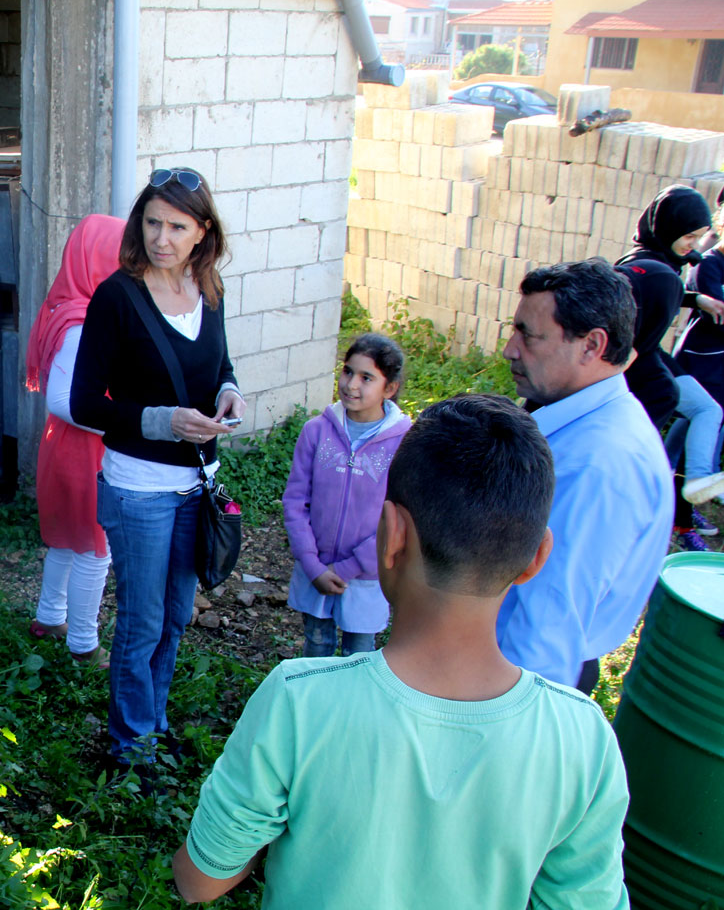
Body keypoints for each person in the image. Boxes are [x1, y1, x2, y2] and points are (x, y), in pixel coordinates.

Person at [173, 394, 630, 910]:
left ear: (391, 535)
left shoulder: (298, 701)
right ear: (536, 558)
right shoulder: (584, 739)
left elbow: (200, 881)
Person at [69, 167, 246, 767]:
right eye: (151, 222)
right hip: (139, 488)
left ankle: (154, 720)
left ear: (202, 233)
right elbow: (84, 402)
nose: (161, 238)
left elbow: (220, 364)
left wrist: (229, 392)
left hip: (195, 485)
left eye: (176, 226)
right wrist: (163, 422)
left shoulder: (208, 289)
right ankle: (130, 745)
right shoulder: (118, 297)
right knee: (141, 621)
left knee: (174, 614)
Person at [500, 259, 671, 693]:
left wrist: (498, 731)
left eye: (529, 335)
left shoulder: (598, 466)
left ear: (591, 345)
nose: (510, 349)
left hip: (518, 679)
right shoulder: (580, 429)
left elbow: (546, 624)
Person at [26, 214, 124, 667]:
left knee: (67, 543)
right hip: (83, 452)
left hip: (66, 448)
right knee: (93, 551)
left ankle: (49, 618)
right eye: (120, 259)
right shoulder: (81, 322)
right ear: (97, 262)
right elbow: (63, 400)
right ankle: (83, 645)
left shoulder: (66, 306)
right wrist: (125, 423)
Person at [284, 333, 411, 658]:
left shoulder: (403, 444)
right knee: (316, 645)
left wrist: (349, 568)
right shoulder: (316, 431)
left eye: (366, 377)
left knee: (359, 654)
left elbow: (400, 515)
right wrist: (312, 565)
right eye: (348, 372)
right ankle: (316, 708)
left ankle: (351, 711)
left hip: (368, 574)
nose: (352, 384)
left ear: (390, 388)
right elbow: (296, 502)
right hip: (316, 569)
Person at [612, 185, 724, 550]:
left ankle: (689, 491)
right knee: (675, 416)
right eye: (687, 236)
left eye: (697, 236)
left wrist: (696, 299)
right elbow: (624, 320)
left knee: (700, 414)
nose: (693, 244)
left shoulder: (660, 263)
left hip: (648, 357)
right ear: (668, 228)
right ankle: (666, 497)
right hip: (637, 362)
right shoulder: (652, 271)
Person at [671, 196, 724, 523]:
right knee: (703, 418)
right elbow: (717, 311)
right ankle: (686, 506)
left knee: (689, 428)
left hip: (719, 363)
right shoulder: (708, 262)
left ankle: (681, 506)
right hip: (700, 361)